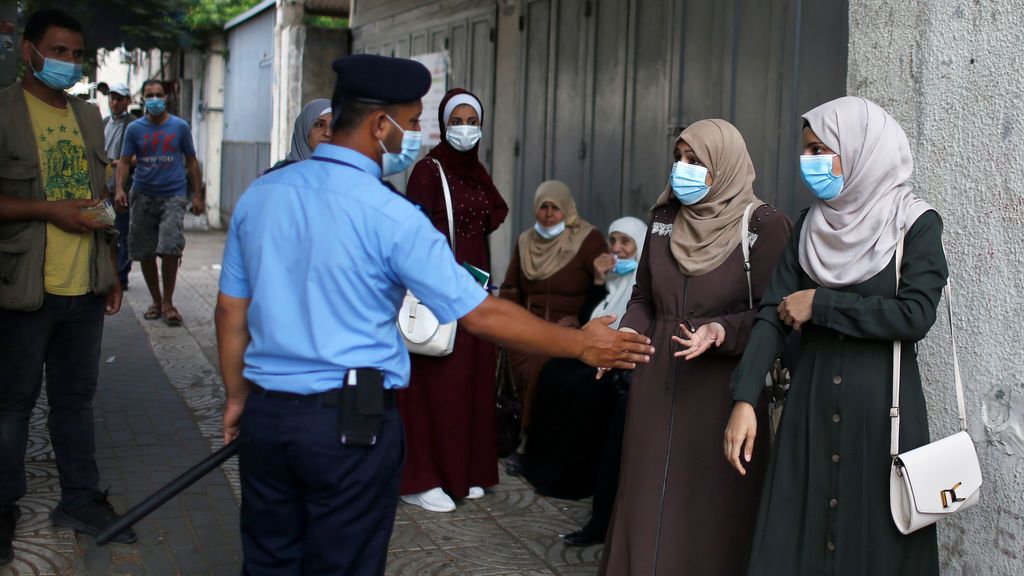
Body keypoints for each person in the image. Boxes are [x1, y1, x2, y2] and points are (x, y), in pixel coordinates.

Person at [215, 53, 654, 575]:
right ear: (381, 125)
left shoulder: (262, 195)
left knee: (269, 561)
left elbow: (229, 312)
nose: (420, 132)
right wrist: (581, 343)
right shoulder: (391, 214)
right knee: (342, 562)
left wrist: (238, 398)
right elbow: (479, 314)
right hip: (350, 423)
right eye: (415, 120)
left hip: (269, 415)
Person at [724, 96, 946, 575]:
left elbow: (915, 314)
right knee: (796, 535)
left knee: (878, 543)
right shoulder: (809, 227)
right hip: (811, 407)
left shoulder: (914, 223)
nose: (810, 163)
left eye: (821, 150)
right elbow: (771, 315)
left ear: (862, 149)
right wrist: (745, 398)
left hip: (882, 413)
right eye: (806, 150)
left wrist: (821, 304)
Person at [598, 119, 792, 575]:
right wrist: (628, 333)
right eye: (678, 158)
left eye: (695, 161)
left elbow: (775, 314)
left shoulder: (764, 226)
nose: (681, 169)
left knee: (709, 504)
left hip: (722, 385)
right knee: (645, 495)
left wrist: (722, 331)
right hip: (655, 379)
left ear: (722, 166)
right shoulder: (664, 220)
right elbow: (644, 296)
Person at [0, 9, 135, 565]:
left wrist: (110, 267)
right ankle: (3, 509)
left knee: (75, 401)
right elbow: (55, 205)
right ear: (28, 51)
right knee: (11, 404)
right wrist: (49, 211)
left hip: (83, 286)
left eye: (77, 55)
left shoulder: (87, 113)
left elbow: (98, 194)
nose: (69, 63)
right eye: (59, 51)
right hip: (24, 286)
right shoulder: (6, 111)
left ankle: (80, 499)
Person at [397, 88, 509, 512]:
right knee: (438, 381)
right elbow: (415, 231)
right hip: (440, 289)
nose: (465, 129)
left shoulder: (477, 173)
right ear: (444, 126)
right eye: (456, 122)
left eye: (472, 121)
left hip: (476, 289)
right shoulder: (429, 171)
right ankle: (422, 477)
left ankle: (466, 472)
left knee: (473, 381)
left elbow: (486, 223)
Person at [521, 216, 647, 546]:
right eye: (614, 241)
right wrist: (597, 279)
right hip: (595, 352)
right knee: (553, 372)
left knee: (581, 386)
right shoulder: (612, 283)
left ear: (641, 245)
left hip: (618, 362)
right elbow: (590, 317)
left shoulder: (642, 284)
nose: (617, 249)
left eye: (626, 242)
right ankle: (542, 467)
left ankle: (571, 478)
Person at [498, 180, 607, 472]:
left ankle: (530, 441)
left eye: (555, 208)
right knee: (505, 355)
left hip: (566, 328)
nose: (548, 214)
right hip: (528, 325)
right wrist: (509, 324)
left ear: (567, 209)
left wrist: (582, 320)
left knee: (540, 365)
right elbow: (511, 288)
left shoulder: (588, 239)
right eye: (543, 207)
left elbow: (603, 289)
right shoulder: (525, 242)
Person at [114, 78, 204, 326]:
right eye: (149, 95)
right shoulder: (135, 130)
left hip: (173, 196)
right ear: (142, 99)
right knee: (144, 252)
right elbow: (123, 161)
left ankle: (168, 301)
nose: (154, 99)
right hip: (142, 195)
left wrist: (197, 195)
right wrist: (120, 188)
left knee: (169, 248)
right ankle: (156, 300)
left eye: (158, 94)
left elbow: (192, 161)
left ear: (166, 98)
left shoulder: (180, 127)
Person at [103, 82, 135, 288]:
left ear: (127, 101)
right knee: (103, 230)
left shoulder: (133, 125)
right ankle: (106, 273)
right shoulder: (104, 122)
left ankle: (121, 276)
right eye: (112, 98)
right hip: (103, 186)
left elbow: (139, 156)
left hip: (122, 187)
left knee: (122, 233)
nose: (114, 102)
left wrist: (117, 162)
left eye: (119, 99)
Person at [264, 98, 333, 174]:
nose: (328, 133)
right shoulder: (277, 175)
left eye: (333, 126)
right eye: (319, 125)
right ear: (304, 130)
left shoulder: (343, 173)